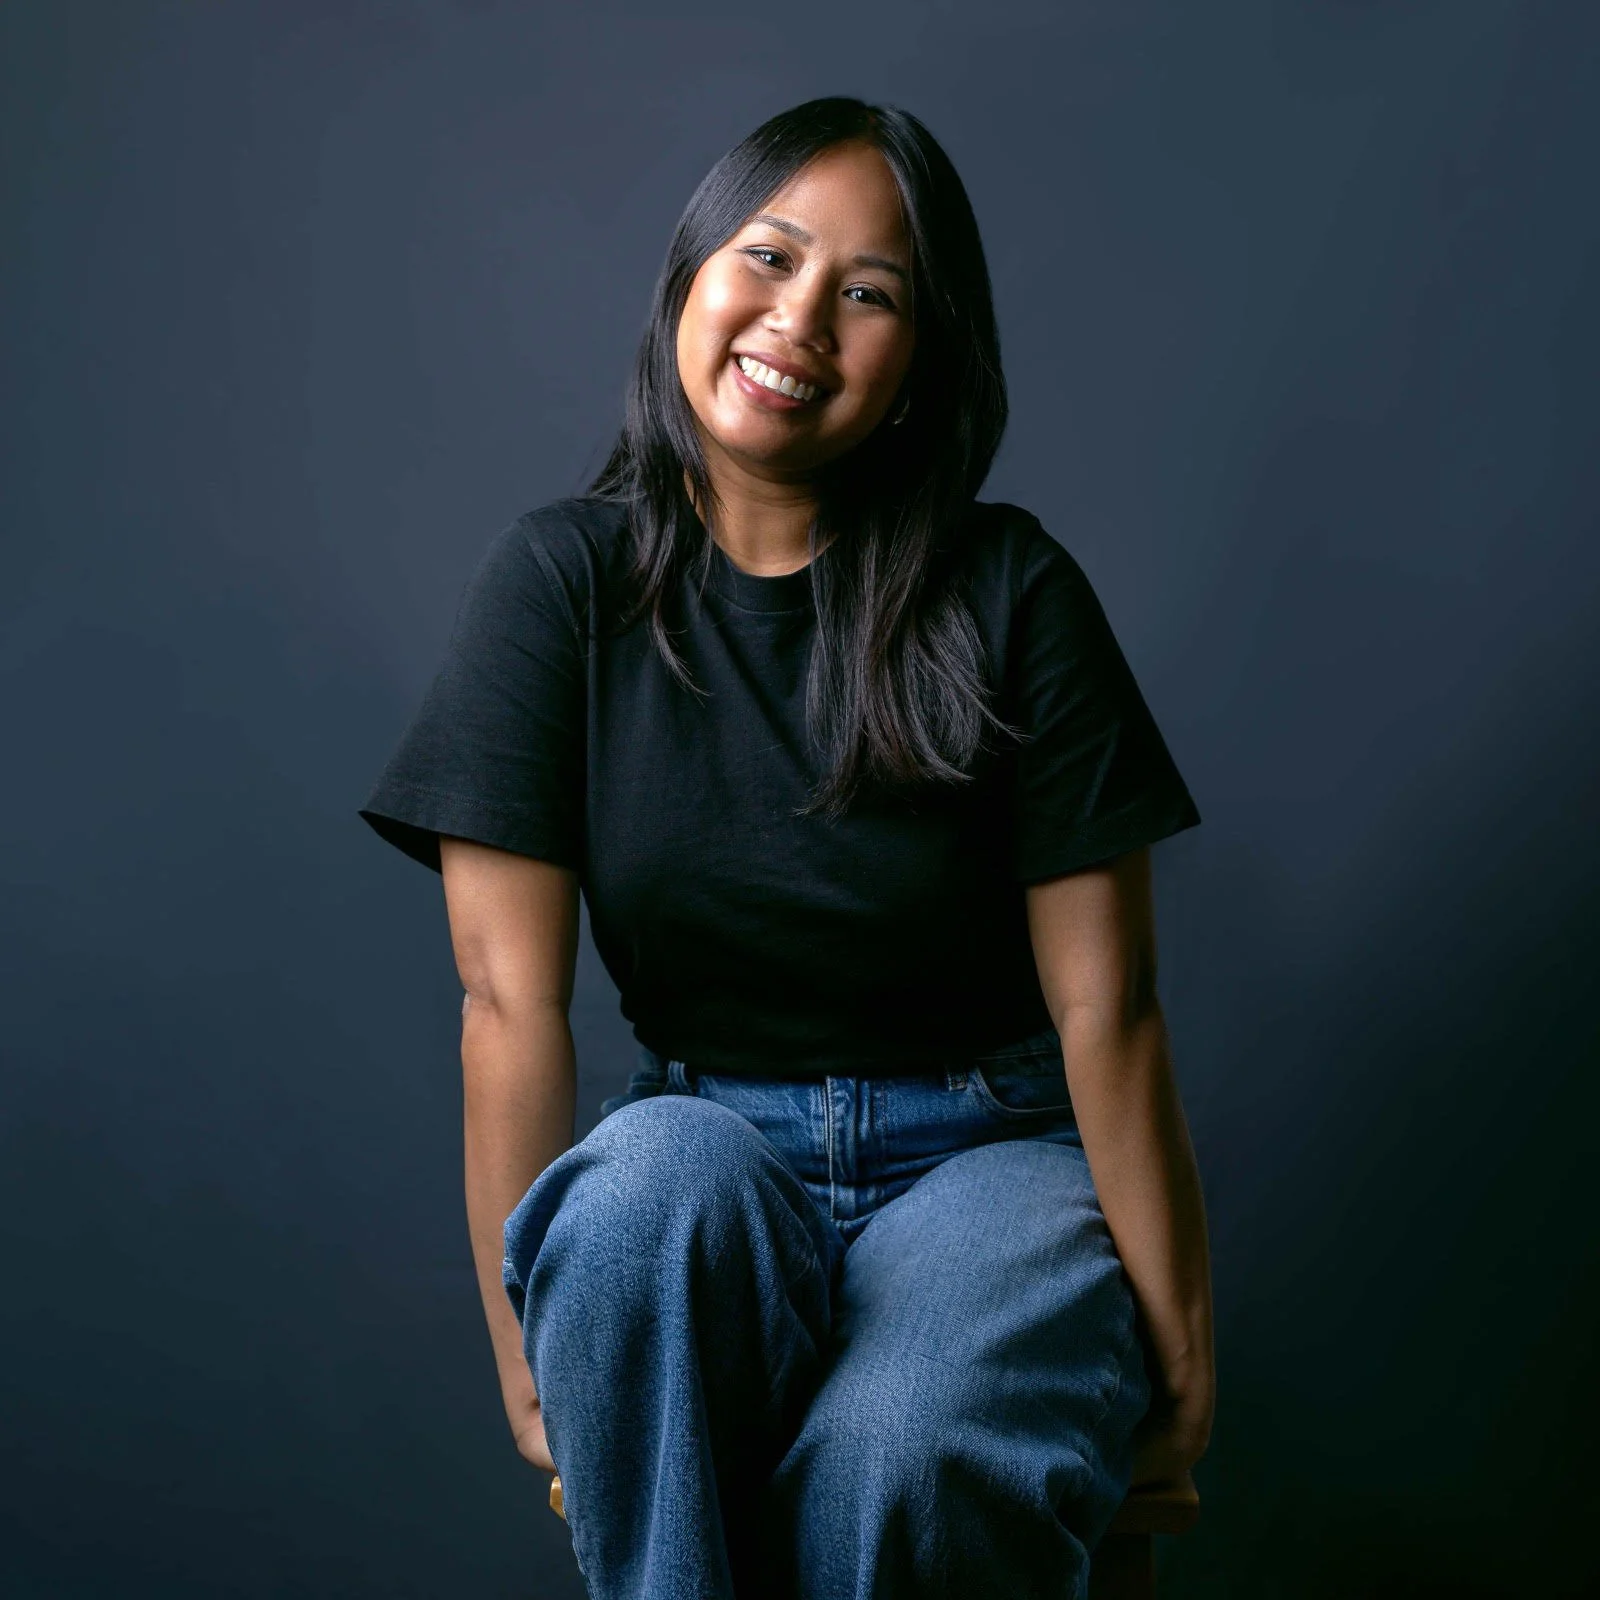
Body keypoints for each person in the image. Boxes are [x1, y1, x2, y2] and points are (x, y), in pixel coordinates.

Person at [360, 95, 1214, 1600]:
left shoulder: (1010, 591)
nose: (798, 317)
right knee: (631, 1210)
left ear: (916, 373)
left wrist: (1177, 1351)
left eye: (868, 294)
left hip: (990, 1159)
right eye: (768, 256)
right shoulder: (562, 585)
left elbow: (1109, 1010)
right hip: (711, 1146)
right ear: (691, 276)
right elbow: (509, 1005)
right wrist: (523, 1357)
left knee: (897, 1463)